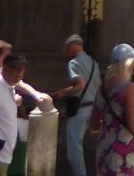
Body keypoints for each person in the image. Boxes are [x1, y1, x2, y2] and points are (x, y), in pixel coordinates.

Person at [89, 42, 134, 176]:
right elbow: (133, 125)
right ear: (127, 63)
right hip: (123, 152)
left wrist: (110, 124)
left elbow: (93, 126)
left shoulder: (101, 88)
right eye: (133, 61)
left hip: (104, 149)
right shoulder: (129, 87)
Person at [54, 34, 100, 176]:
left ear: (72, 47)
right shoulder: (94, 63)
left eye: (67, 49)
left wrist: (63, 92)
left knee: (74, 145)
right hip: (93, 108)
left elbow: (80, 85)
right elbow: (99, 84)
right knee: (92, 143)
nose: (66, 53)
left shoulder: (73, 63)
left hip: (80, 109)